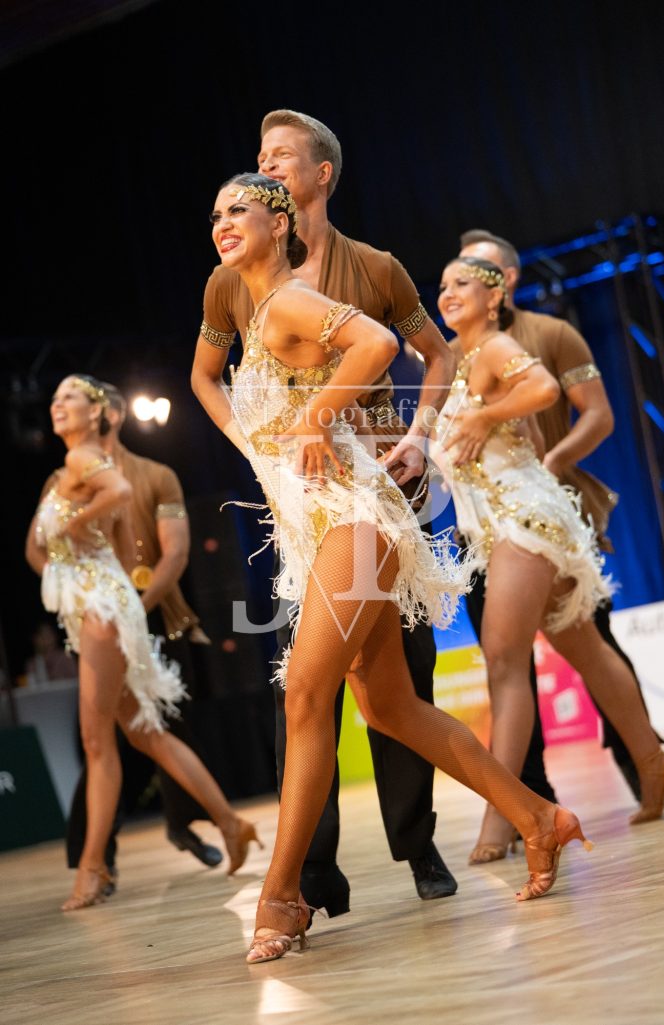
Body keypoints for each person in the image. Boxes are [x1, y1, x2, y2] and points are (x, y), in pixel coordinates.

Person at [195, 172, 597, 964]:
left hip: (354, 514)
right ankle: (538, 817)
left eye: (238, 209)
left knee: (305, 692)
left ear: (281, 222)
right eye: (214, 215)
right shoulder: (250, 307)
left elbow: (379, 345)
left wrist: (315, 417)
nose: (221, 223)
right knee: (388, 706)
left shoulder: (288, 301)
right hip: (315, 523)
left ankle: (281, 894)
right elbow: (202, 379)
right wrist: (253, 445)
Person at [192, 110, 459, 911]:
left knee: (398, 677)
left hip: (372, 484)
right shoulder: (232, 277)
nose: (266, 162)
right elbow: (204, 375)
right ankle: (311, 870)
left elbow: (435, 353)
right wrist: (251, 446)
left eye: (282, 155)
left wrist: (417, 435)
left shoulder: (374, 267)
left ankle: (417, 844)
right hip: (301, 502)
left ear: (320, 176)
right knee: (303, 681)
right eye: (260, 155)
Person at [432, 255, 664, 863]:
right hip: (510, 519)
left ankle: (504, 819)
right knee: (585, 649)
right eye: (441, 285)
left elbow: (544, 390)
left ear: (495, 297)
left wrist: (487, 416)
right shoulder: (457, 358)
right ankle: (654, 763)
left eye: (462, 283)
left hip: (523, 522)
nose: (447, 293)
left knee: (505, 662)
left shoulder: (495, 346)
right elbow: (534, 437)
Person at [25, 374, 262, 911]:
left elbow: (130, 504)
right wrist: (67, 577)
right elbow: (38, 549)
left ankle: (92, 866)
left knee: (98, 743)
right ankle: (230, 822)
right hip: (93, 608)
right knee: (145, 733)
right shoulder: (63, 473)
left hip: (111, 612)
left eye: (70, 397)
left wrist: (77, 532)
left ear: (100, 412)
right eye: (54, 398)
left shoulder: (102, 464)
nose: (57, 404)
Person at [63, 381, 226, 881]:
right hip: (98, 617)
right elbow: (46, 544)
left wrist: (136, 607)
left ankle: (183, 824)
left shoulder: (156, 475)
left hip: (152, 609)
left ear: (110, 415)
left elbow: (175, 552)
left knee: (164, 723)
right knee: (105, 734)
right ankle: (94, 853)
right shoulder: (66, 475)